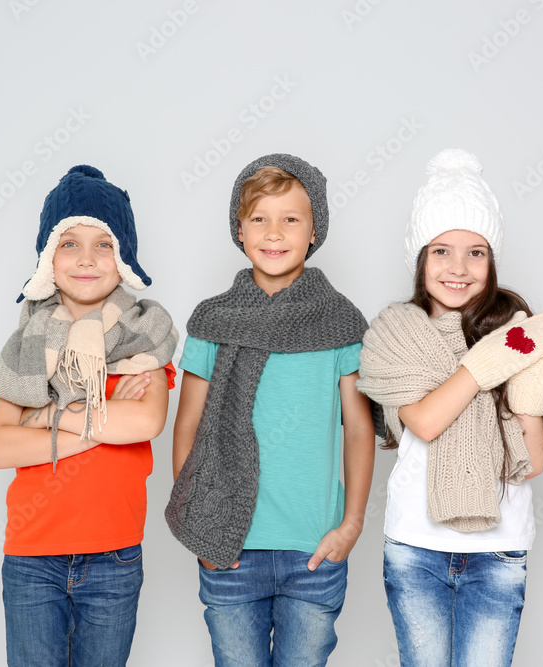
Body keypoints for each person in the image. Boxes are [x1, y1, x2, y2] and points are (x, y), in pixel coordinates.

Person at [356, 149, 543, 667]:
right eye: (441, 251)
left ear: (492, 259)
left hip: (500, 548)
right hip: (415, 545)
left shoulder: (519, 334)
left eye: (475, 252)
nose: (458, 268)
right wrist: (492, 361)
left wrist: (527, 389)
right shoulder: (397, 331)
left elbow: (533, 461)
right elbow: (425, 420)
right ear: (420, 258)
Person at [165, 153, 378, 666]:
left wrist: (351, 524)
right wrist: (201, 526)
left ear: (313, 231)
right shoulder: (214, 320)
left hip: (314, 550)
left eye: (291, 218)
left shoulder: (340, 322)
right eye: (259, 218)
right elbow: (188, 425)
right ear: (239, 231)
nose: (274, 232)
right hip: (230, 545)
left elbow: (358, 430)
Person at [0, 165, 178, 666]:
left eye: (104, 244)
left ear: (124, 258)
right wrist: (101, 422)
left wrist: (46, 416)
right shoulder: (28, 344)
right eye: (70, 244)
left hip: (114, 556)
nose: (87, 259)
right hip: (32, 557)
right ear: (50, 259)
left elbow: (146, 423)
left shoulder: (146, 338)